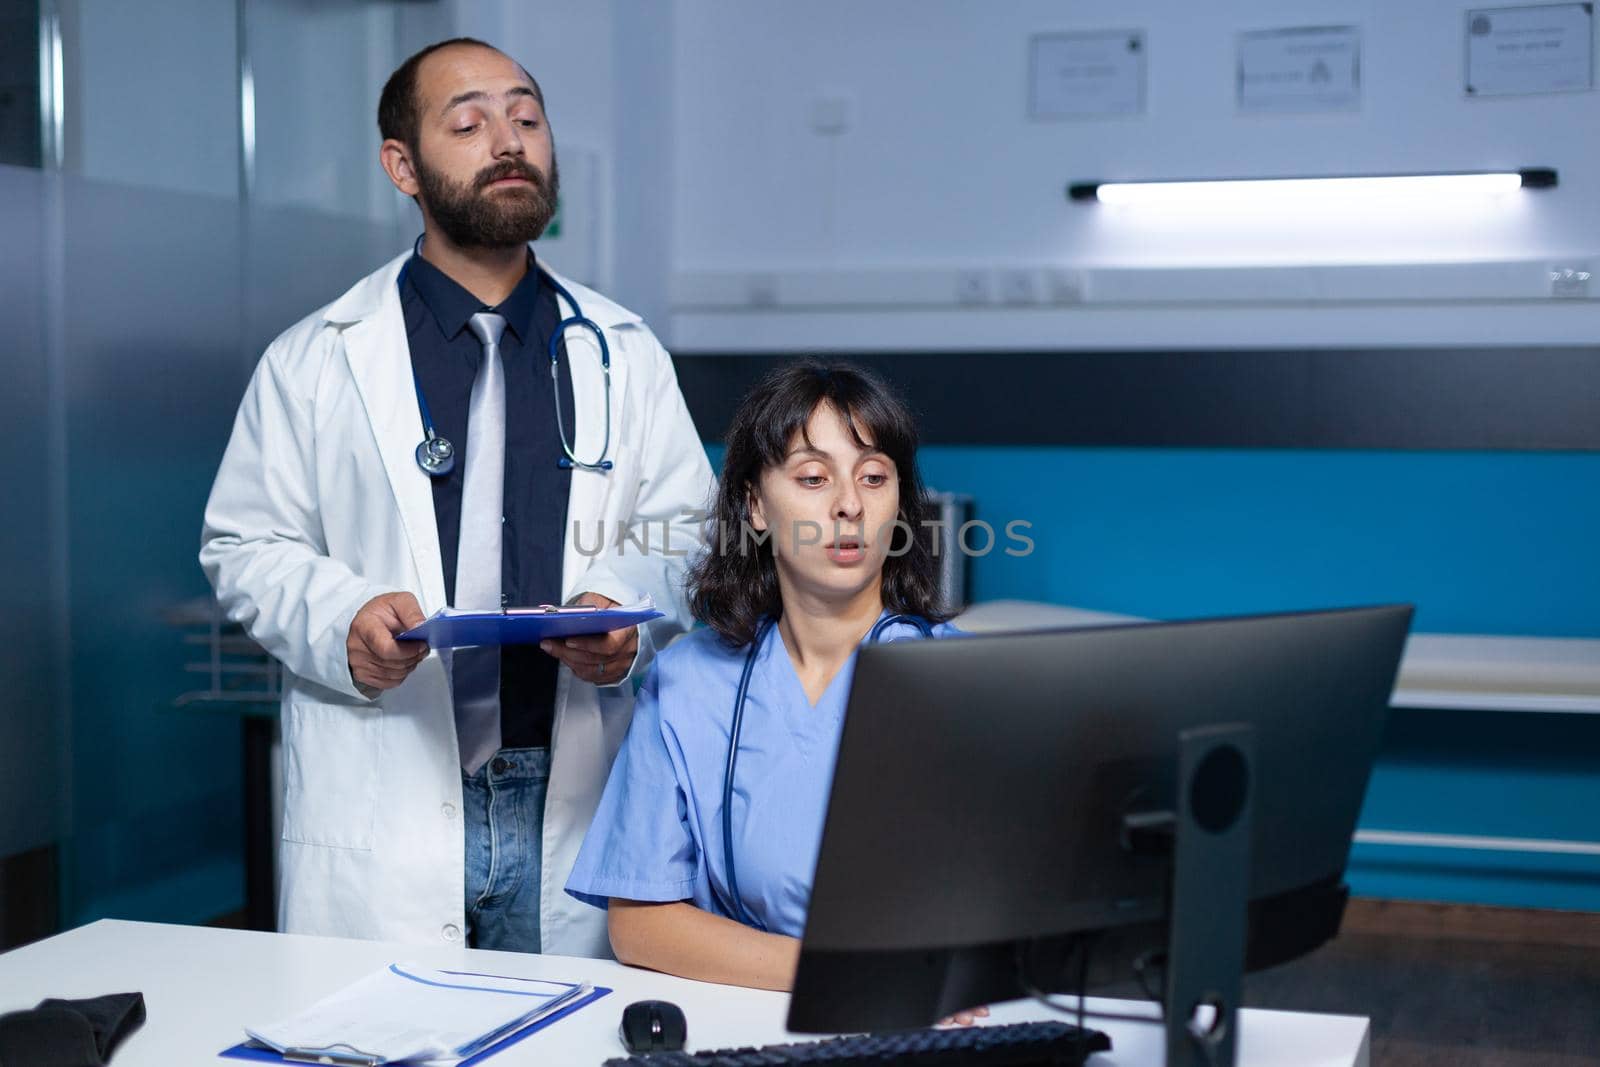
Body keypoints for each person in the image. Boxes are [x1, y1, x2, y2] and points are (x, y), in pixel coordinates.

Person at [199, 37, 713, 957]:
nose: (508, 140)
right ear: (403, 166)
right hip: (389, 798)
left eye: (526, 118)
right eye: (469, 122)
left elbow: (686, 532)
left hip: (572, 790)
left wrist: (624, 616)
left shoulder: (623, 352)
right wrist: (345, 614)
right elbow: (244, 545)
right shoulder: (316, 358)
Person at [566, 361, 979, 1012]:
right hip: (736, 1024)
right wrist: (836, 969)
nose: (849, 504)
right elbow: (640, 921)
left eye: (874, 476)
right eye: (814, 477)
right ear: (756, 505)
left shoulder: (967, 686)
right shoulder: (688, 682)